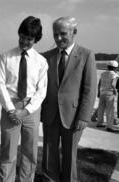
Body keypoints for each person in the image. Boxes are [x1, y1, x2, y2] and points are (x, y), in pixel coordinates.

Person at [41, 16, 97, 182]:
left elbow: (90, 89)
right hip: (50, 114)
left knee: (69, 154)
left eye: (63, 34)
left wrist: (84, 116)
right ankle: (50, 179)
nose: (58, 38)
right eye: (55, 34)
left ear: (74, 32)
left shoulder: (86, 55)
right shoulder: (46, 56)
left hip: (73, 116)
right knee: (49, 151)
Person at [0, 16, 48, 182]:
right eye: (22, 36)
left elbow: (42, 91)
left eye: (29, 39)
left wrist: (25, 111)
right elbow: (0, 84)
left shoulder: (41, 61)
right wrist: (11, 110)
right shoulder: (6, 57)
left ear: (36, 40)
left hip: (31, 109)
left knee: (30, 151)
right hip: (10, 107)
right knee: (8, 150)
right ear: (19, 34)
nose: (25, 41)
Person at [96, 60, 119, 132]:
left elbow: (99, 83)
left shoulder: (103, 73)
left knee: (101, 108)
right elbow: (113, 84)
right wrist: (115, 90)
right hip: (110, 94)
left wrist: (99, 92)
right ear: (115, 68)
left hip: (102, 92)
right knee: (110, 110)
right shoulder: (115, 75)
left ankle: (100, 122)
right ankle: (109, 126)